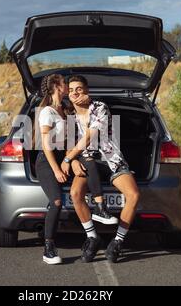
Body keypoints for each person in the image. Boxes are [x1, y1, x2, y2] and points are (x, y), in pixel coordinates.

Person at [62, 75, 141, 263]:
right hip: (87, 161)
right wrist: (72, 161)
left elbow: (90, 136)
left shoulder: (99, 107)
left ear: (86, 90)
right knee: (75, 193)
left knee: (134, 195)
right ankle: (92, 237)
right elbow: (69, 142)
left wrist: (68, 158)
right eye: (71, 90)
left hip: (111, 159)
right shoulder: (68, 114)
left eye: (79, 89)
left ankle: (117, 242)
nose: (75, 93)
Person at [35, 73, 90, 265]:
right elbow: (46, 145)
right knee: (57, 201)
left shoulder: (64, 109)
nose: (67, 86)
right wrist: (57, 170)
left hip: (64, 158)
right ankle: (48, 248)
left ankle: (91, 239)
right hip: (47, 162)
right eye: (65, 83)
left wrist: (70, 160)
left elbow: (72, 137)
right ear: (57, 86)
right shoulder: (47, 112)